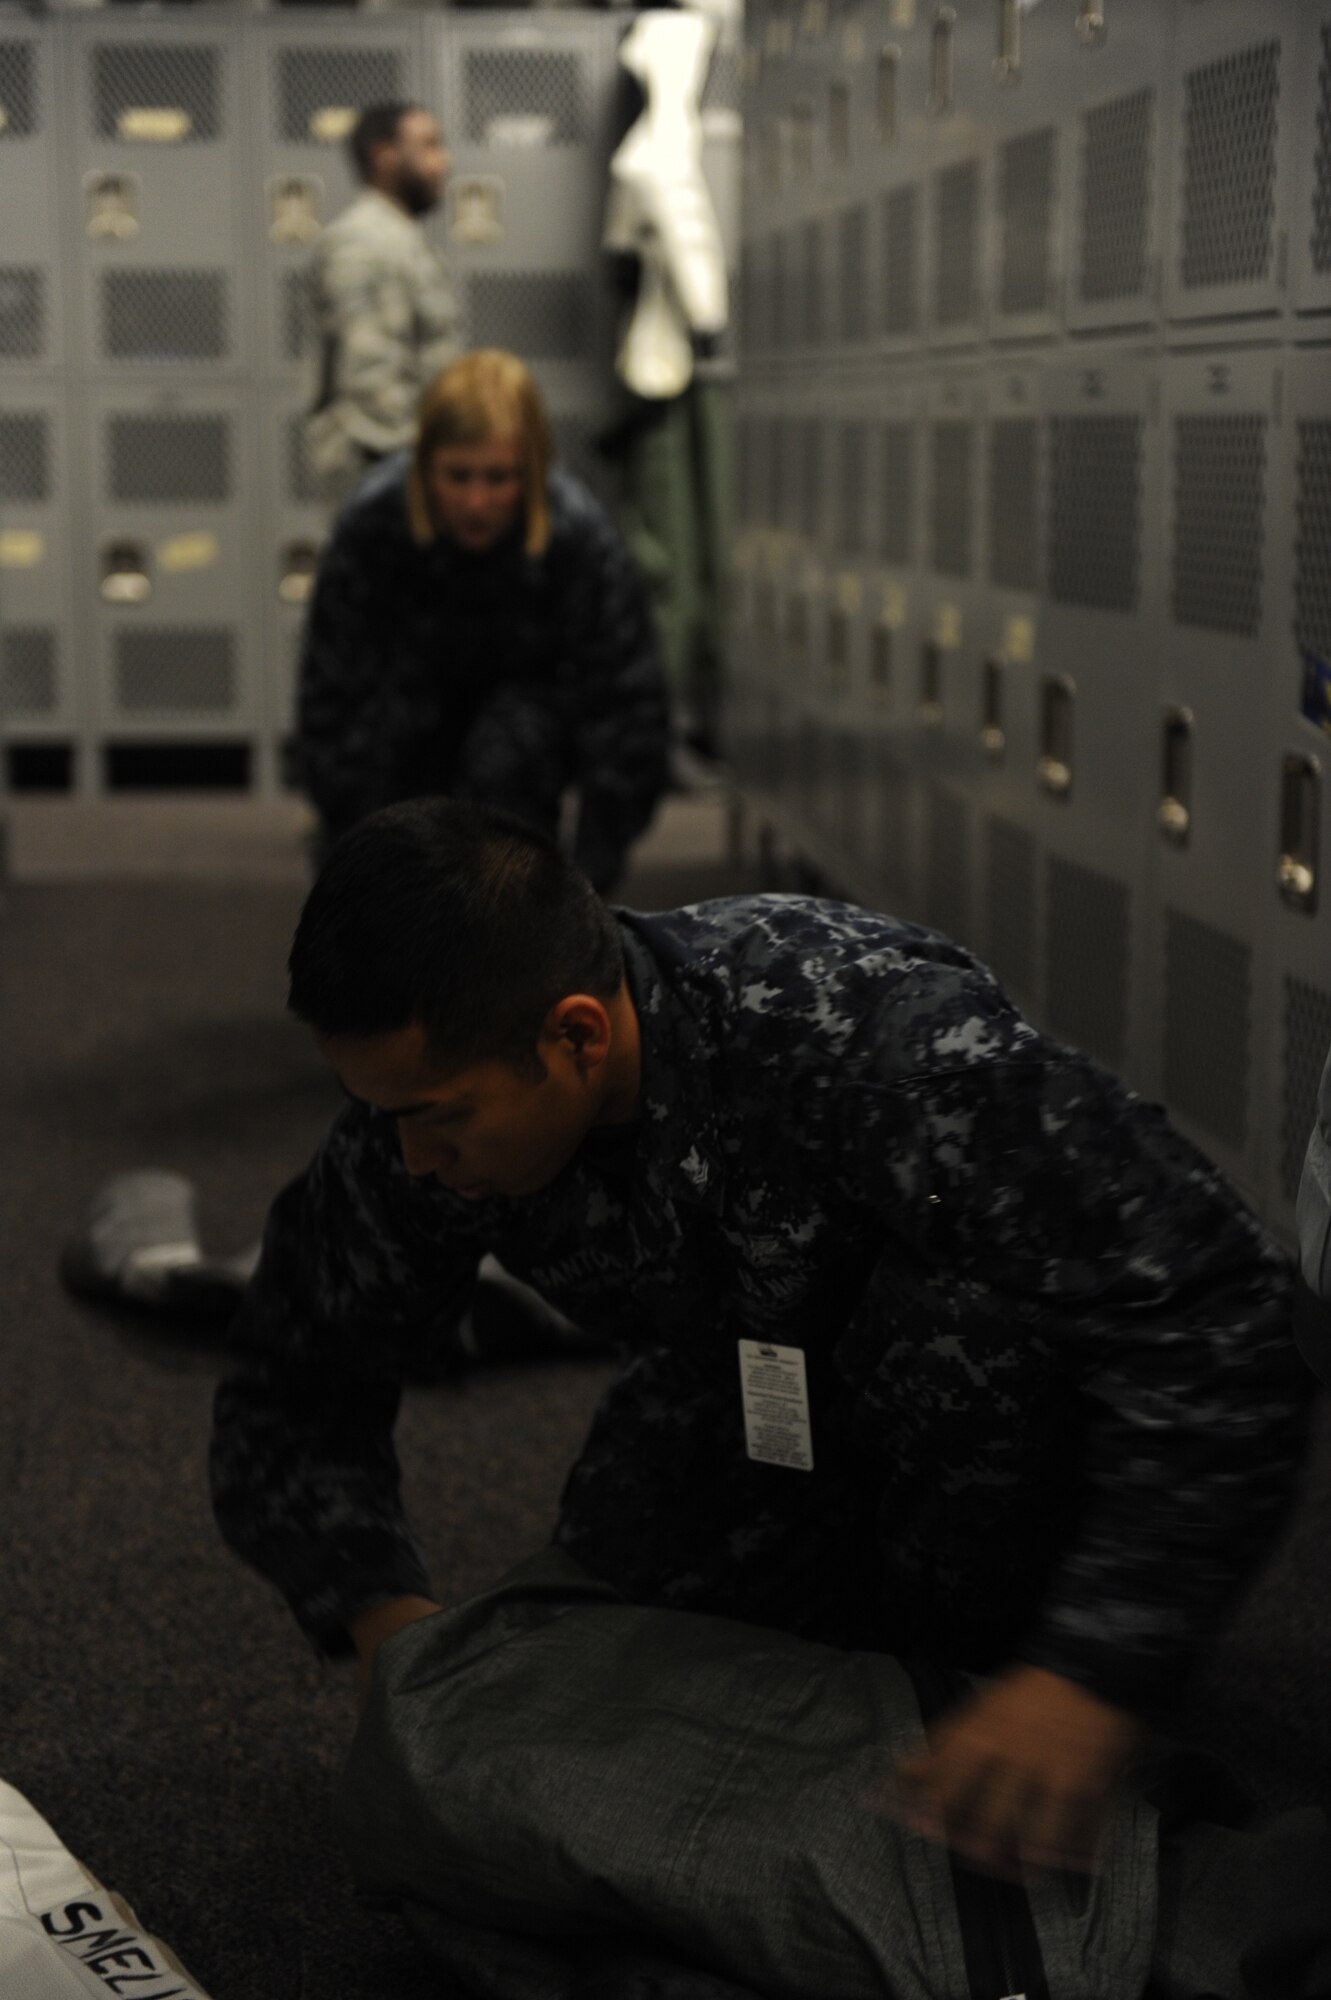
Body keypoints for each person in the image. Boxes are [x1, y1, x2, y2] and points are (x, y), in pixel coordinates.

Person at [210, 798, 1309, 1889]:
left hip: (969, 1403)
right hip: (744, 1375)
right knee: (588, 1641)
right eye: (384, 1112)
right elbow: (294, 1375)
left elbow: (1218, 1313)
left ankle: (992, 1650)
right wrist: (380, 1618)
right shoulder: (427, 1114)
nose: (407, 1158)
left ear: (577, 1035)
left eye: (437, 1118)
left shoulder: (873, 1040)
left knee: (959, 1398)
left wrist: (1091, 1670)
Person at [295, 349, 670, 892]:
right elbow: (331, 699)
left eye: (499, 478)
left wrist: (588, 885)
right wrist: (350, 860)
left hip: (522, 746)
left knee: (511, 754)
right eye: (458, 476)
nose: (476, 502)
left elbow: (628, 711)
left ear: (533, 471)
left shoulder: (578, 536)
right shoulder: (373, 525)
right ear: (425, 467)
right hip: (404, 730)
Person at [305, 102, 460, 505]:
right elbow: (372, 386)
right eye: (429, 146)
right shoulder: (367, 242)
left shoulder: (396, 237)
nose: (444, 161)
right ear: (384, 156)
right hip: (387, 472)